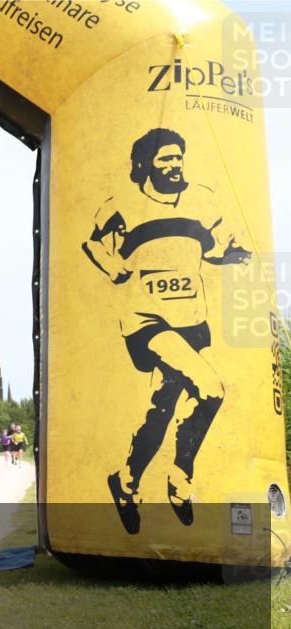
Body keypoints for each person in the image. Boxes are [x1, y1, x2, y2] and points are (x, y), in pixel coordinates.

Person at [81, 128, 250, 534]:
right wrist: (112, 266)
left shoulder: (201, 200)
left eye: (178, 158)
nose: (175, 165)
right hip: (146, 321)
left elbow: (211, 250)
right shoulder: (123, 204)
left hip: (190, 319)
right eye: (165, 159)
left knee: (161, 409)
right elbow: (93, 242)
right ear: (146, 165)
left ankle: (125, 481)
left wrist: (231, 256)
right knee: (211, 388)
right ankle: (180, 477)